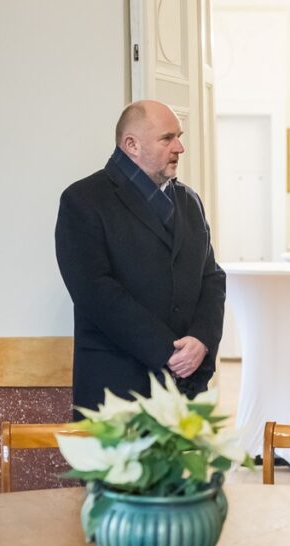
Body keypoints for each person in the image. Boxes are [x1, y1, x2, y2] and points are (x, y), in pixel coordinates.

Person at [56, 99, 225, 417]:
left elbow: (211, 278)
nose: (180, 147)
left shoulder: (189, 202)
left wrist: (201, 340)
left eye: (179, 136)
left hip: (184, 388)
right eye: (167, 138)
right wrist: (169, 353)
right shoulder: (84, 201)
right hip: (117, 389)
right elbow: (95, 292)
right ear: (131, 145)